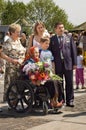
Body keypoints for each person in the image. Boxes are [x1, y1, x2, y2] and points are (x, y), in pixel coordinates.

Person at [49, 22, 77, 107]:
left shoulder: (69, 37)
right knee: (59, 83)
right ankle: (61, 100)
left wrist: (75, 63)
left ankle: (70, 100)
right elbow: (50, 53)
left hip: (68, 63)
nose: (61, 29)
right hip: (58, 65)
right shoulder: (52, 39)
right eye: (59, 28)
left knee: (69, 83)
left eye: (62, 27)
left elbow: (73, 51)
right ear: (55, 29)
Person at [0, 23, 26, 101]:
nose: (19, 33)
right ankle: (10, 101)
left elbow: (22, 52)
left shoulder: (18, 41)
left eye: (19, 32)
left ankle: (15, 101)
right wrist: (12, 60)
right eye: (17, 32)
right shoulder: (8, 42)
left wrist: (22, 59)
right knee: (11, 85)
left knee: (18, 85)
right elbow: (2, 54)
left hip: (19, 66)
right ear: (12, 32)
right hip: (11, 68)